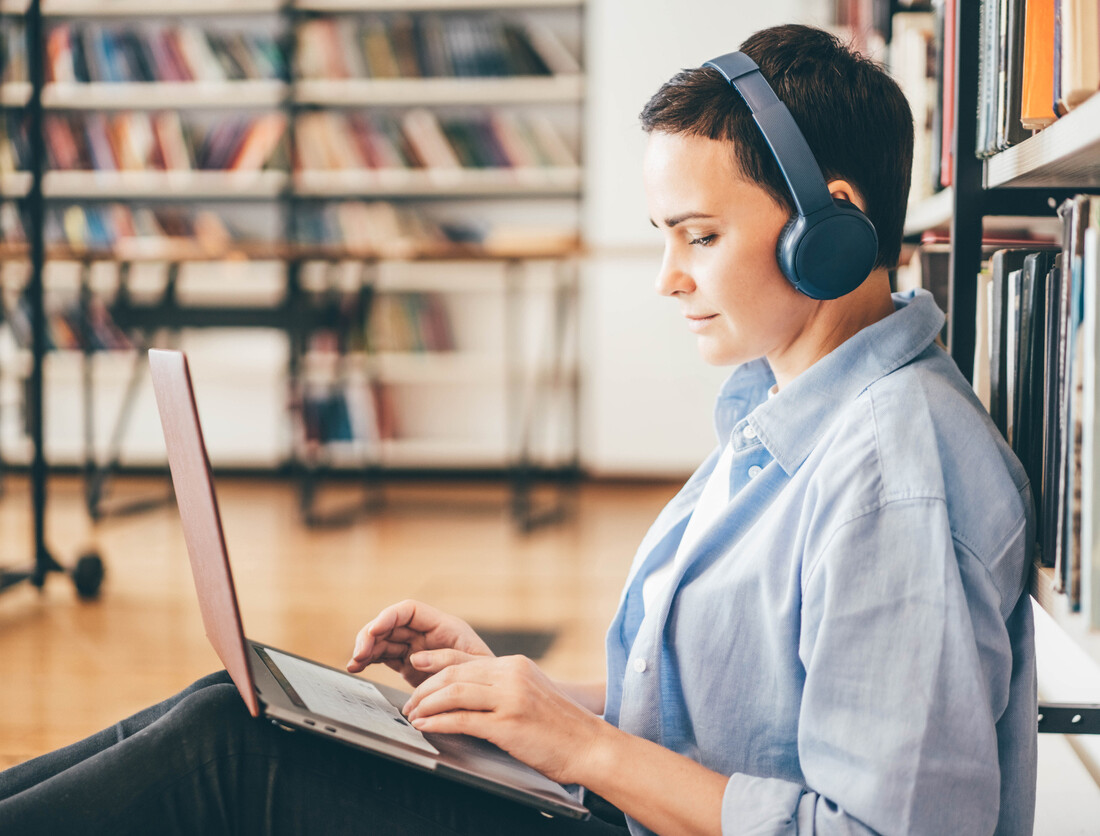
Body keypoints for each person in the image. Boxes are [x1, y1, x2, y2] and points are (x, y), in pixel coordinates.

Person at [0, 24, 1035, 836]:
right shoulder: (795, 414)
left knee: (226, 751)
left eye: (700, 236)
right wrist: (516, 696)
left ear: (833, 230)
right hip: (621, 809)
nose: (669, 277)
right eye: (662, 238)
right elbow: (734, 727)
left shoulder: (893, 479)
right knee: (230, 707)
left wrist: (576, 742)